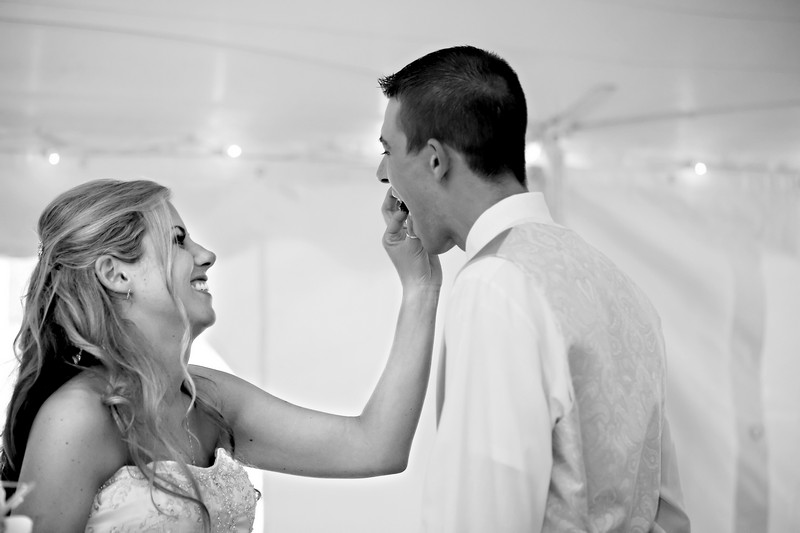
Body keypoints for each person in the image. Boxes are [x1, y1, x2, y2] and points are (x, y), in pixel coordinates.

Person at [0, 178, 441, 532]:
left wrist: (421, 287)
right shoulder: (77, 416)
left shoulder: (208, 398)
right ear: (116, 274)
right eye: (178, 240)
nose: (206, 255)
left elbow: (375, 448)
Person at [377, 45, 691, 532]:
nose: (382, 174)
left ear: (435, 159)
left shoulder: (496, 286)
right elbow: (665, 513)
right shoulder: (622, 288)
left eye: (387, 151)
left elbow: (482, 516)